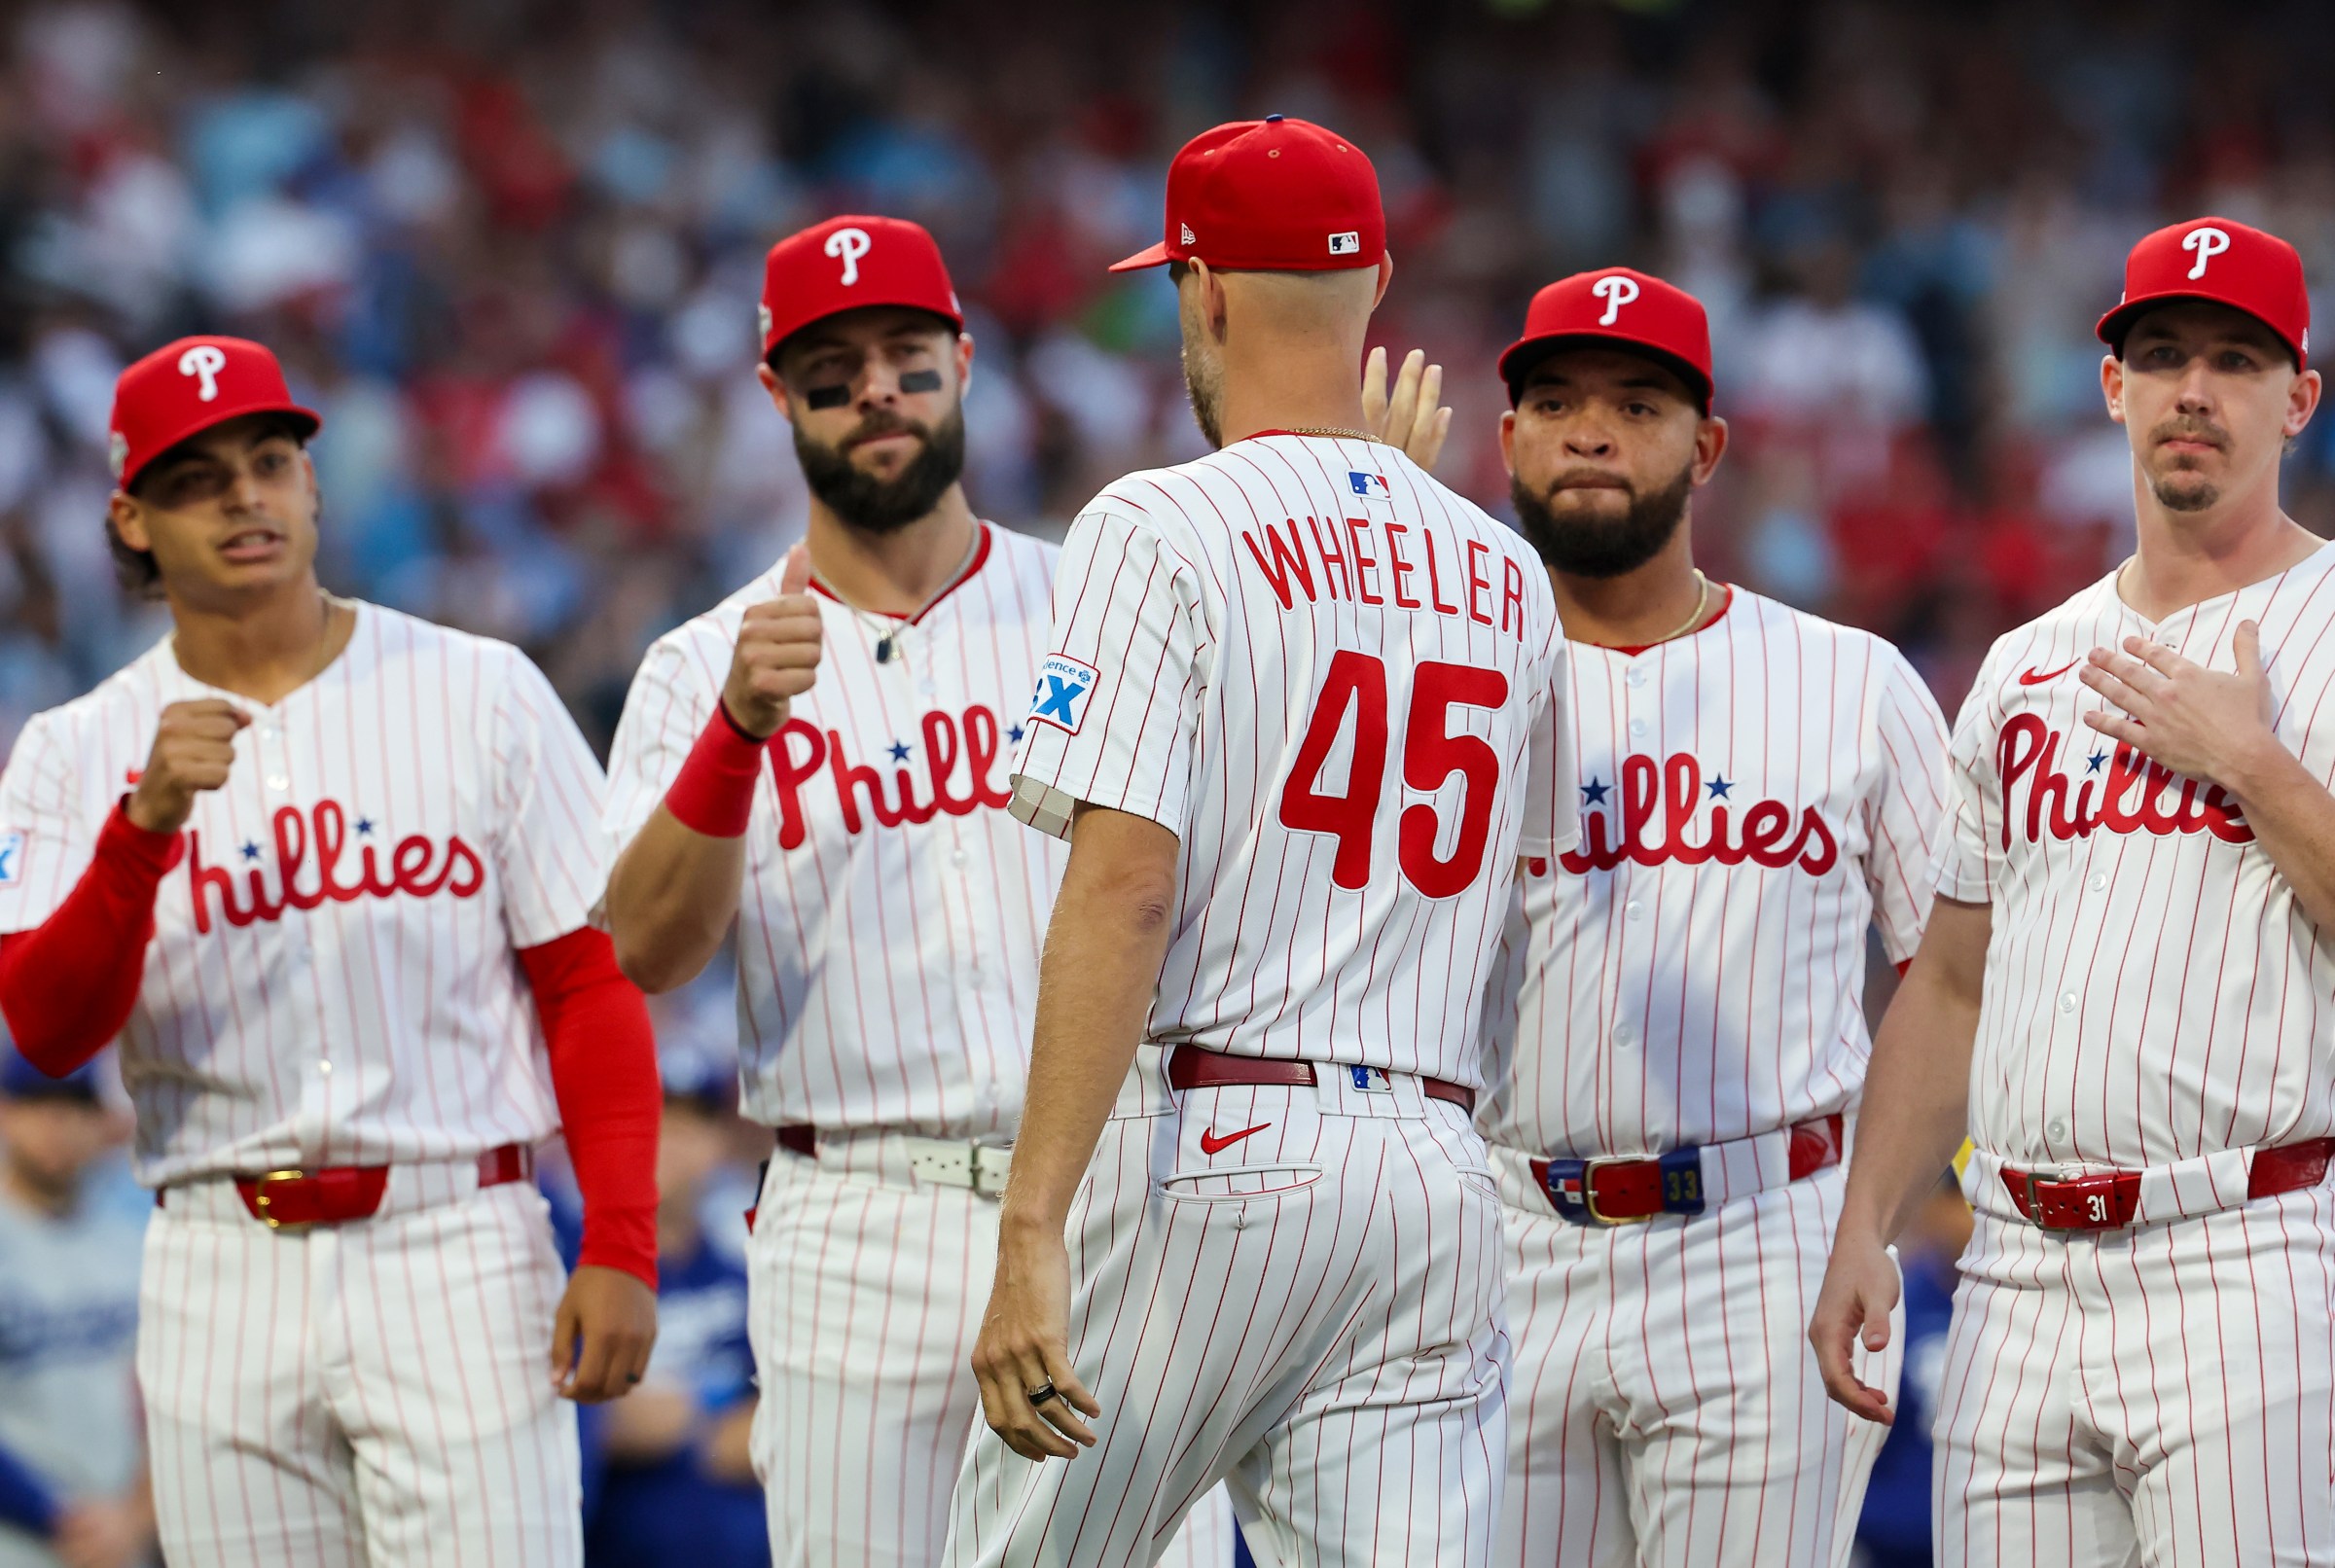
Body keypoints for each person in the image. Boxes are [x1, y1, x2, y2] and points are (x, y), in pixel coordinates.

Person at [942, 114, 1574, 1567]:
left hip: (1218, 1142)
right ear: (1377, 288)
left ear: (1207, 290)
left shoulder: (1155, 523)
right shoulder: (1501, 569)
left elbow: (1126, 885)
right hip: (1431, 1168)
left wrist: (1031, 1218)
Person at [598, 214, 1231, 1567]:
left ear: (963, 355)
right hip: (855, 1212)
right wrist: (734, 736)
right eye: (832, 368)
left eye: (904, 352)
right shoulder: (701, 663)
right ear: (778, 396)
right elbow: (646, 949)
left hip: (1106, 1194)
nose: (874, 389)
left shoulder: (1099, 610)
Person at [0, 337, 661, 1568]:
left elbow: (588, 978)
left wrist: (620, 1239)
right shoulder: (72, 751)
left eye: (269, 460)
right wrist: (137, 837)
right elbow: (48, 1027)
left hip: (456, 1242)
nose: (245, 495)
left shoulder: (480, 690)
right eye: (198, 478)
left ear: (312, 483)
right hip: (215, 1252)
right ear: (130, 520)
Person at [1811, 215, 2335, 1565]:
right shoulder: (2027, 664)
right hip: (2016, 1272)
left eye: (2234, 359)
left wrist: (2251, 766)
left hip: (2250, 1254)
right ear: (2113, 387)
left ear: (2299, 396)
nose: (2195, 391)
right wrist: (1868, 1220)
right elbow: (1950, 980)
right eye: (2162, 356)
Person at [1469, 267, 1949, 1567]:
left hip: (1766, 1237)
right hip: (1501, 1242)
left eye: (1638, 402)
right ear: (1506, 436)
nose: (1591, 429)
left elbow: (1954, 980)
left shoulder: (1851, 682)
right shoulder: (1445, 689)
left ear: (1709, 447)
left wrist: (1874, 1221)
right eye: (1556, 399)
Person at [584, 1061, 766, 1568]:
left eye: (687, 1130)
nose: (667, 1147)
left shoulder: (745, 1275)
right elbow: (607, 1423)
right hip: (619, 1543)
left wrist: (689, 1426)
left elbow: (775, 1424)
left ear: (717, 1145)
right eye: (651, 1126)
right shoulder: (579, 1276)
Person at [0, 1050, 154, 1568]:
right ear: (5, 1111)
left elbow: (175, 1404)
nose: (57, 1123)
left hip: (127, 1540)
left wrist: (133, 1520)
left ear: (102, 1123)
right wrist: (58, 1520)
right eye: (37, 1104)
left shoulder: (138, 1244)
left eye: (74, 1106)